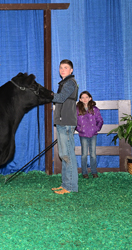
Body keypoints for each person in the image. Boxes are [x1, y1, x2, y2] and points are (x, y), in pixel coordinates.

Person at [51, 59, 79, 194]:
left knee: (68, 154)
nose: (62, 70)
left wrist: (48, 95)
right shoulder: (64, 83)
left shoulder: (69, 83)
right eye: (61, 67)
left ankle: (71, 187)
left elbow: (60, 98)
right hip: (62, 122)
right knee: (64, 154)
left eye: (66, 67)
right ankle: (65, 184)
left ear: (71, 70)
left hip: (67, 122)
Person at [76, 91, 104, 179]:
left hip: (93, 134)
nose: (85, 99)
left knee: (93, 154)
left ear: (90, 98)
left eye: (86, 97)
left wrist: (96, 128)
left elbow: (100, 120)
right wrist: (79, 129)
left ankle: (94, 172)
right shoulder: (77, 109)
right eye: (82, 97)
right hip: (83, 134)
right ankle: (84, 172)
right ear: (80, 99)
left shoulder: (95, 109)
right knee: (84, 154)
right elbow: (74, 121)